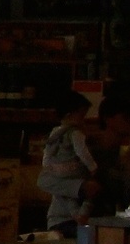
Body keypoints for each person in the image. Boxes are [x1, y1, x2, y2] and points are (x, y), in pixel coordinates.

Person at [38, 97, 98, 235]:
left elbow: (48, 152)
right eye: (82, 116)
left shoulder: (56, 133)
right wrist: (92, 169)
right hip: (62, 222)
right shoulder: (75, 134)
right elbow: (43, 181)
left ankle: (79, 215)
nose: (84, 121)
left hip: (77, 221)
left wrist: (48, 165)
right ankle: (80, 215)